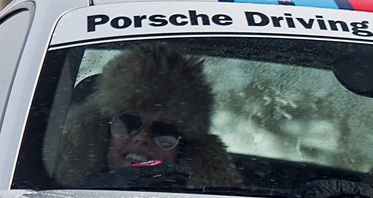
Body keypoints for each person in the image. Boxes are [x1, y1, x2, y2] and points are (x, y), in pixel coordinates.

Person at [56, 45, 241, 189]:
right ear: (103, 134)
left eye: (163, 131)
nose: (142, 138)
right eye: (129, 123)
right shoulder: (58, 197)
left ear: (184, 150)